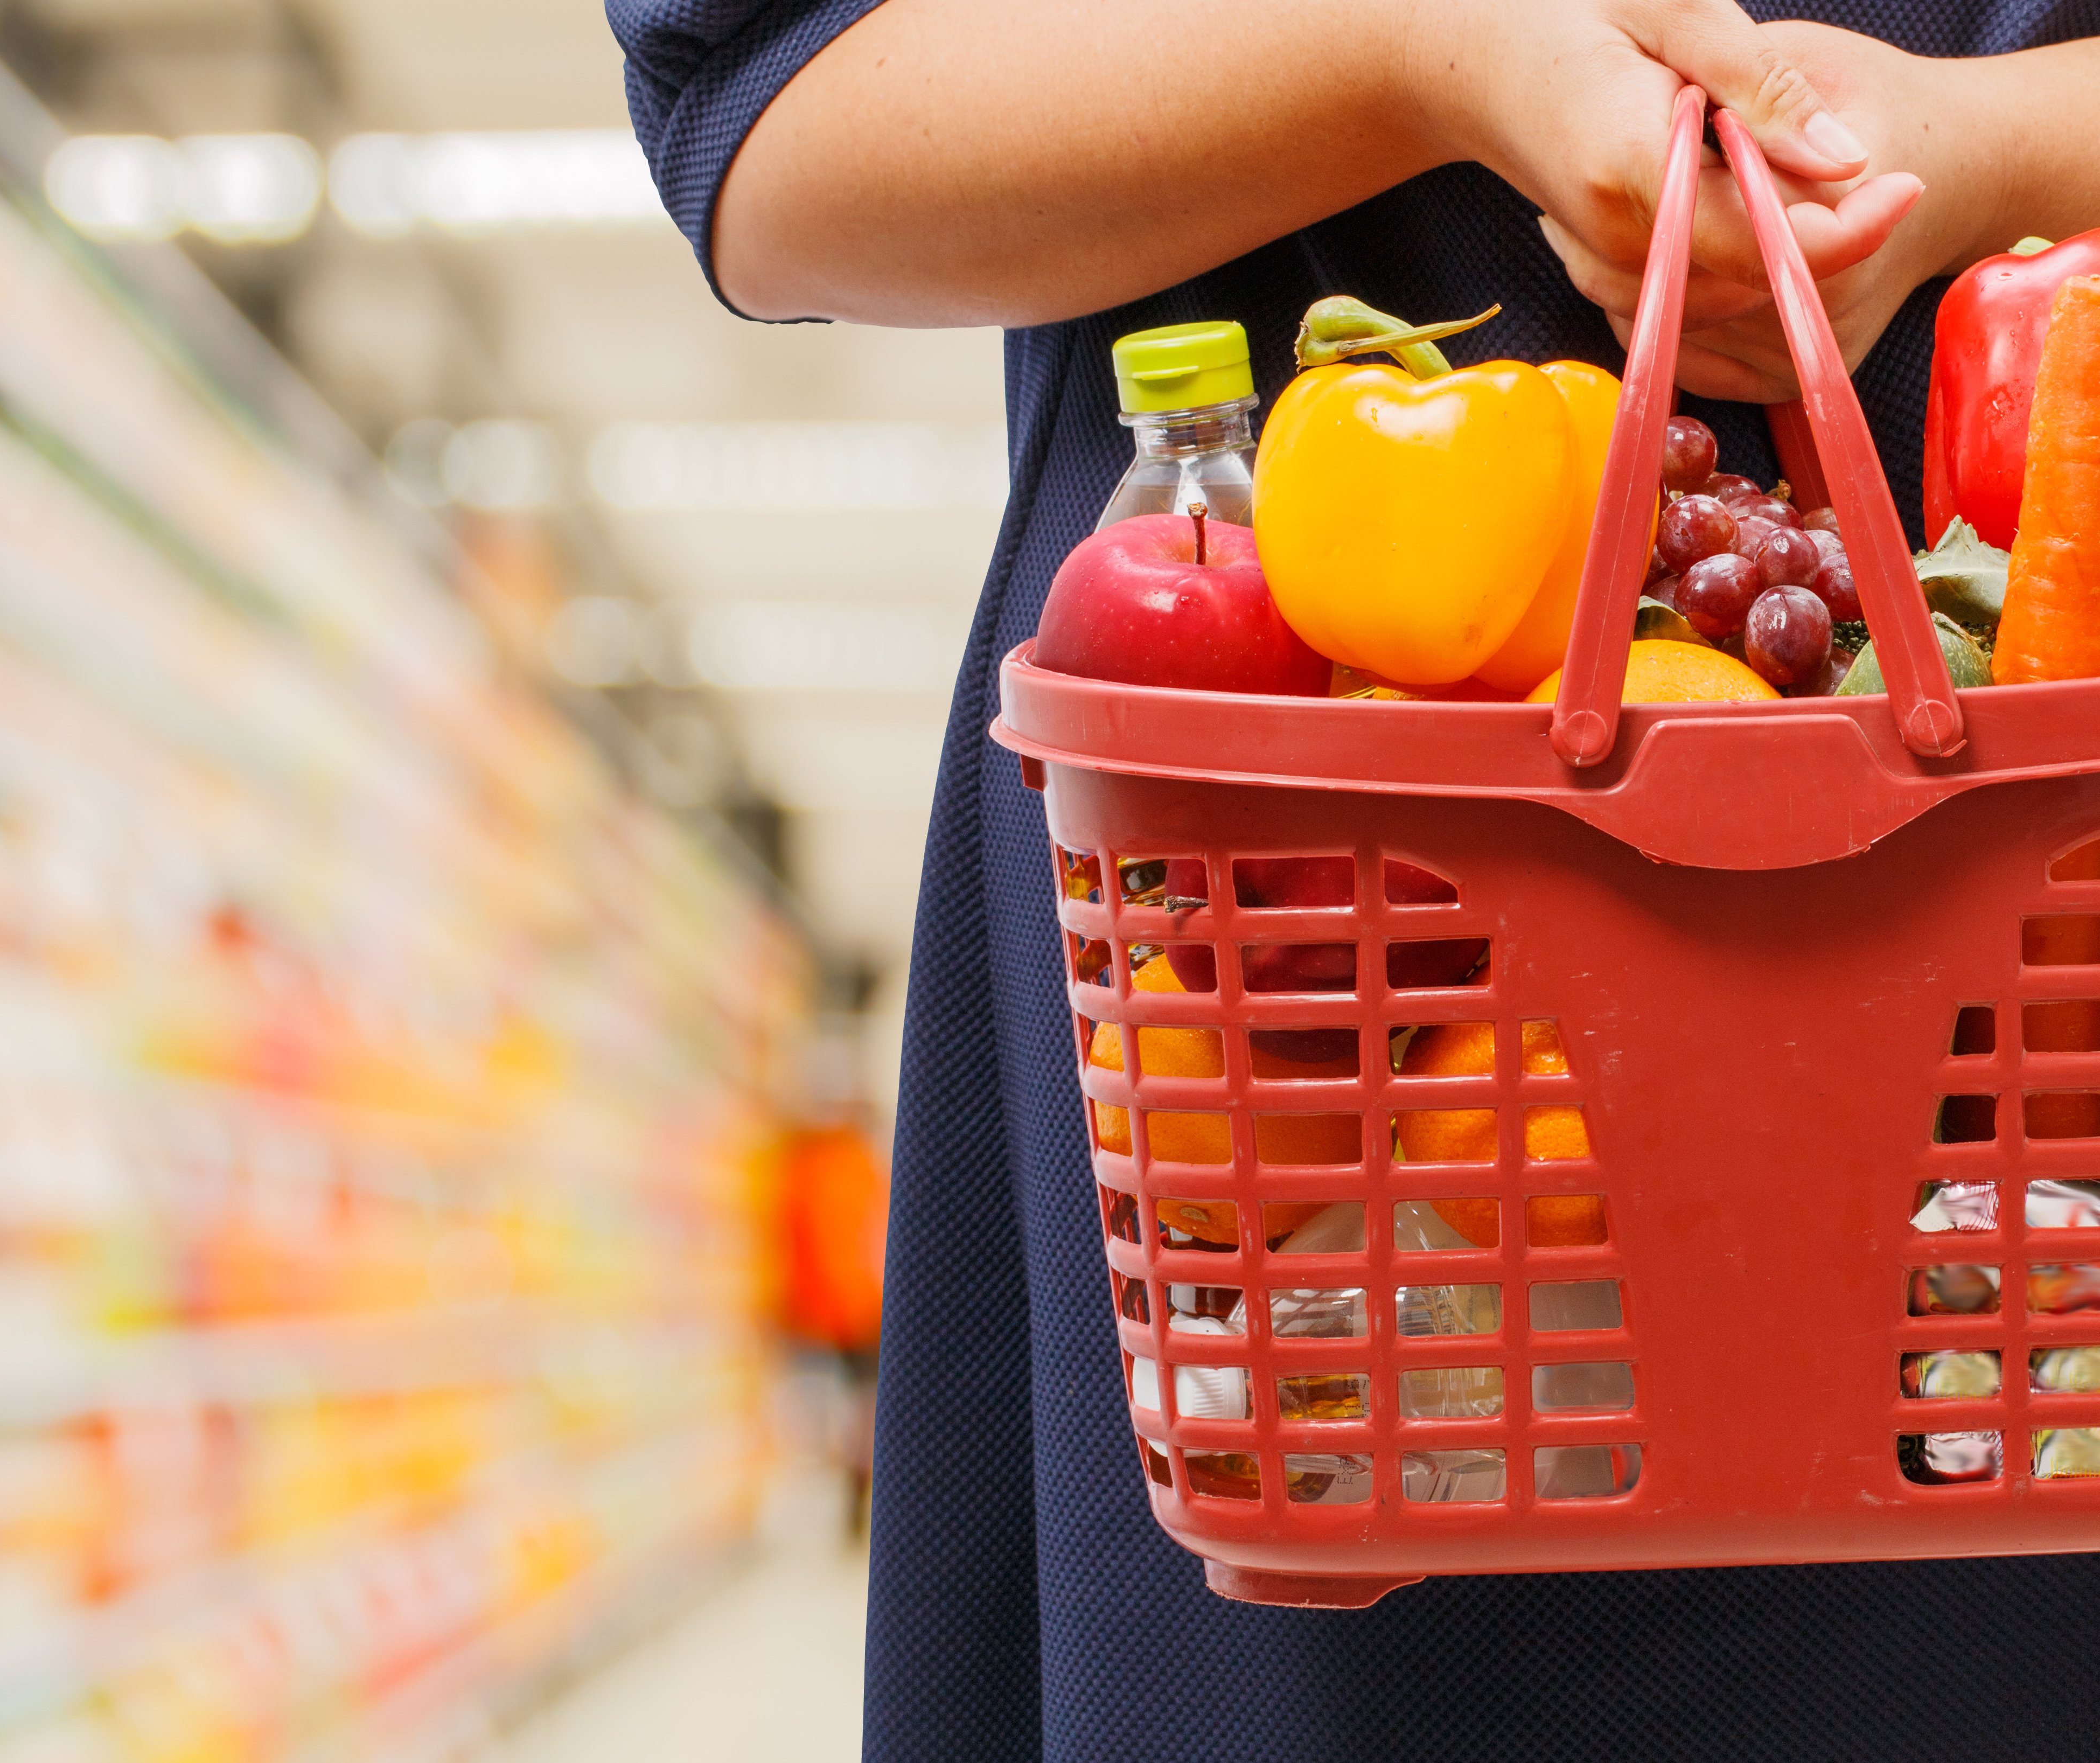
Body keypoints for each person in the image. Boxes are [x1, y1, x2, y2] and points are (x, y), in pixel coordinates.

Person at [604, 3, 2100, 1757]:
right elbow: (763, 112)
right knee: (1318, 1461)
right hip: (1277, 842)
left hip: (2024, 720)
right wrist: (1429, 56)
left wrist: (1977, 143)